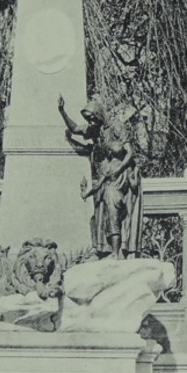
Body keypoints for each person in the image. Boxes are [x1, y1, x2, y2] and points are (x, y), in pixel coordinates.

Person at [57, 93, 143, 258]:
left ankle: (118, 252)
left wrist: (118, 170)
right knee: (101, 209)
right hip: (106, 174)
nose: (91, 123)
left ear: (99, 114)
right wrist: (62, 111)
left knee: (112, 206)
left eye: (93, 118)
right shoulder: (95, 129)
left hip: (120, 174)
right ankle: (105, 248)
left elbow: (130, 152)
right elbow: (75, 129)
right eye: (89, 119)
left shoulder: (117, 127)